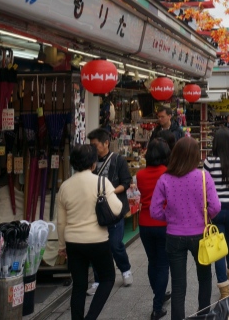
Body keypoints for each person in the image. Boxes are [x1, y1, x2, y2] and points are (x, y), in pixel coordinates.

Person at [150, 137, 221, 320]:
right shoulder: (204, 176)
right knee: (204, 278)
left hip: (174, 236)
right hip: (200, 235)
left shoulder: (165, 178)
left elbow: (154, 211)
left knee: (178, 285)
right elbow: (215, 206)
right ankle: (203, 315)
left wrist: (171, 216)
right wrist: (204, 216)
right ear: (196, 156)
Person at [57, 145, 123, 320]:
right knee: (108, 278)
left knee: (79, 285)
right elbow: (117, 209)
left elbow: (61, 221)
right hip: (97, 240)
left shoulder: (65, 186)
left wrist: (62, 246)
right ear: (94, 163)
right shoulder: (101, 182)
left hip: (73, 242)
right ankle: (91, 317)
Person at [86, 128, 132, 295]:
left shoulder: (118, 160)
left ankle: (125, 269)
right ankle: (98, 279)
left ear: (106, 143)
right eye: (91, 145)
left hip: (114, 208)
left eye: (95, 145)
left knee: (115, 243)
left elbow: (126, 182)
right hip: (95, 210)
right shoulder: (89, 161)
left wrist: (110, 192)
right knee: (97, 246)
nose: (93, 148)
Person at [204, 127, 229, 300]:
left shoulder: (209, 162)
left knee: (218, 247)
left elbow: (206, 185)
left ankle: (224, 288)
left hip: (216, 209)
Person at [137, 140, 172, 320]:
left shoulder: (140, 175)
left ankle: (159, 293)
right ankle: (157, 307)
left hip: (144, 223)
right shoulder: (167, 174)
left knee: (152, 261)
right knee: (163, 264)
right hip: (164, 223)